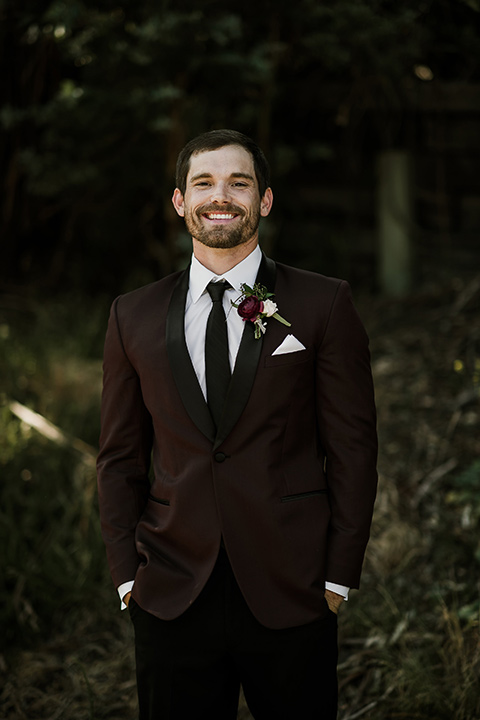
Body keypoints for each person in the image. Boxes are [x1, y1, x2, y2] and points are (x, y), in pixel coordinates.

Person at [96, 129, 378, 720]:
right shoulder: (132, 315)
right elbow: (120, 458)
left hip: (293, 586)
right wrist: (128, 577)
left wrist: (337, 578)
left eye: (238, 183)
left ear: (264, 200)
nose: (220, 196)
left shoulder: (324, 304)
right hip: (171, 591)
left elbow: (353, 448)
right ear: (180, 202)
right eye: (203, 182)